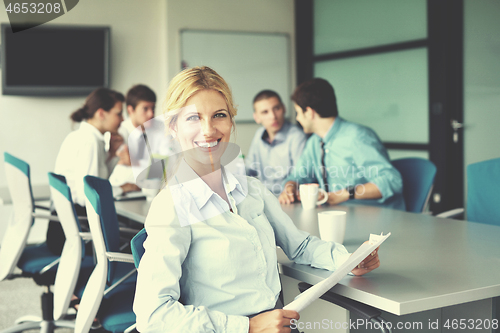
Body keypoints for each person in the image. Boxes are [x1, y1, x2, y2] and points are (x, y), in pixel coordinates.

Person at [133, 66, 381, 333]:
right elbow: (153, 315)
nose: (208, 130)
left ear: (231, 121)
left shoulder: (252, 189)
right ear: (172, 127)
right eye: (193, 118)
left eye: (219, 115)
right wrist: (248, 327)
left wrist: (348, 260)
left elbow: (300, 246)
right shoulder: (171, 205)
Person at [278, 78, 405, 211]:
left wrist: (343, 194)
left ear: (309, 112)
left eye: (298, 112)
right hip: (334, 214)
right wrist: (290, 187)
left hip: (375, 216)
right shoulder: (314, 142)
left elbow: (392, 180)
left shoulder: (357, 137)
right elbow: (298, 175)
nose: (297, 118)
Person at [49, 88, 140, 254]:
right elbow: (87, 196)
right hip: (78, 230)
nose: (122, 119)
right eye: (119, 113)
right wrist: (122, 188)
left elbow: (96, 179)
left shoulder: (85, 137)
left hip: (65, 227)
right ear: (101, 113)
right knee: (138, 235)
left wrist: (112, 155)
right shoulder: (89, 142)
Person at [109, 84, 180, 187]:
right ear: (130, 110)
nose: (151, 114)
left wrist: (134, 164)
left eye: (153, 108)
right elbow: (115, 177)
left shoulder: (163, 129)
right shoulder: (119, 133)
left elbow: (166, 167)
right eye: (145, 109)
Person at [245, 90, 307, 195]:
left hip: (287, 197)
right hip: (263, 196)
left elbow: (300, 175)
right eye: (265, 112)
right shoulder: (259, 134)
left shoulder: (297, 136)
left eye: (276, 108)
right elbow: (249, 168)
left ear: (284, 108)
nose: (273, 116)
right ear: (257, 117)